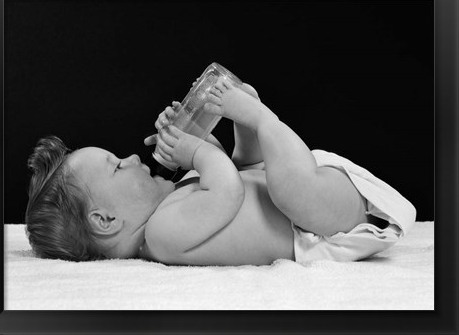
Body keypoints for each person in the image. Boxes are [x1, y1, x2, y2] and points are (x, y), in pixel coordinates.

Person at [25, 79, 416, 265]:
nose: (128, 158)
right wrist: (193, 151)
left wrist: (190, 133)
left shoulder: (173, 210)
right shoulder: (161, 236)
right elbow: (227, 190)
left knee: (252, 164)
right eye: (115, 166)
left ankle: (248, 121)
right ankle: (259, 117)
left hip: (301, 193)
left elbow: (224, 171)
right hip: (318, 223)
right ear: (106, 219)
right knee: (287, 189)